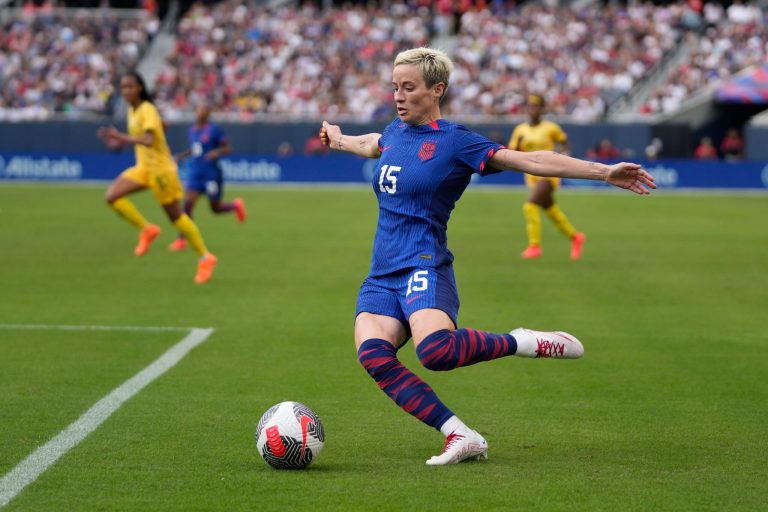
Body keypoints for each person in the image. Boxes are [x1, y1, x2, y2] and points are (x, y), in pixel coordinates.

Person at [319, 47, 655, 466]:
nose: (398, 96)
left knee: (436, 353)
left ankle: (522, 341)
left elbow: (530, 159)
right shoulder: (395, 131)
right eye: (394, 88)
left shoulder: (456, 141)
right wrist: (339, 140)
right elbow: (375, 144)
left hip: (424, 263)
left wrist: (603, 171)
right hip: (381, 275)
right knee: (372, 355)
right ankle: (459, 434)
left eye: (408, 88)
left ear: (437, 89)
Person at [97, 71, 218, 284]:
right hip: (144, 168)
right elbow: (157, 127)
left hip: (162, 171)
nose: (126, 91)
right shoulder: (133, 111)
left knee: (176, 218)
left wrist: (120, 137)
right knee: (112, 196)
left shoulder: (146, 109)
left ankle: (206, 257)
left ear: (140, 89)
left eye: (130, 87)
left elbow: (148, 139)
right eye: (123, 88)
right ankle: (148, 229)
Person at [509, 94, 585, 260]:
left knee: (530, 205)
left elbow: (565, 143)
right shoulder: (520, 130)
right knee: (551, 210)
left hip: (549, 174)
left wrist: (561, 159)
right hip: (531, 176)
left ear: (542, 109)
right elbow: (511, 153)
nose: (532, 109)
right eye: (529, 105)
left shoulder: (551, 128)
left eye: (535, 106)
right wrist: (517, 145)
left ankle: (534, 246)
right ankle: (576, 237)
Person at [168, 102, 246, 252]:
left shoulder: (214, 129)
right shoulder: (192, 130)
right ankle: (181, 239)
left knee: (215, 209)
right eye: (199, 109)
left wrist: (217, 152)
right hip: (196, 174)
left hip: (211, 175)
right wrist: (182, 156)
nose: (201, 112)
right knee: (187, 204)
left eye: (204, 109)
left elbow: (228, 147)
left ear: (208, 113)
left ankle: (235, 206)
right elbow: (196, 149)